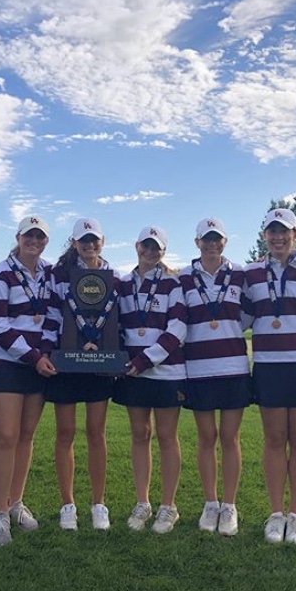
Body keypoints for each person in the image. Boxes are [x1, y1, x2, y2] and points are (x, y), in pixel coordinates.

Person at [243, 208, 296, 545]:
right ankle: (276, 513)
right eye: (272, 231)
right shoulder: (251, 273)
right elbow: (242, 318)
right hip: (268, 364)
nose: (278, 237)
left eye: (285, 231)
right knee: (275, 439)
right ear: (264, 235)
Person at [38, 217, 118, 531]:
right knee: (65, 433)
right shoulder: (57, 275)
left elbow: (115, 319)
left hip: (99, 362)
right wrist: (49, 351)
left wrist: (107, 348)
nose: (89, 245)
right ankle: (67, 504)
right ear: (74, 243)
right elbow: (51, 316)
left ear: (103, 241)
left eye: (94, 239)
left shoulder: (113, 277)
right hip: (67, 361)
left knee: (97, 432)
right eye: (83, 240)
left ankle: (99, 504)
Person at [178, 218, 249, 537]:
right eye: (206, 239)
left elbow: (249, 313)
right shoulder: (182, 277)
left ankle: (229, 505)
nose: (212, 244)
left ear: (225, 241)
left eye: (217, 239)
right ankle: (211, 503)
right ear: (197, 243)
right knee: (206, 438)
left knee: (230, 438)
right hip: (199, 368)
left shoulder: (240, 274)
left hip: (234, 366)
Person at [114, 226, 187, 534]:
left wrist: (143, 361)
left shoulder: (173, 283)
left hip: (166, 372)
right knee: (140, 435)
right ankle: (143, 502)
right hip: (132, 372)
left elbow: (178, 330)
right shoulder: (122, 284)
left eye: (156, 247)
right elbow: (113, 325)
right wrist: (116, 358)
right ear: (137, 246)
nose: (150, 251)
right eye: (146, 245)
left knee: (167, 437)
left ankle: (169, 506)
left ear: (163, 252)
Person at [0, 216, 51, 546]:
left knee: (26, 436)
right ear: (18, 237)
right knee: (7, 436)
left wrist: (47, 353)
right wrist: (34, 356)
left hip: (36, 364)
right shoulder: (1, 272)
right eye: (29, 236)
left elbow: (54, 318)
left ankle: (15, 503)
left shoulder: (50, 273)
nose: (34, 241)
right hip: (6, 363)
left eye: (40, 237)